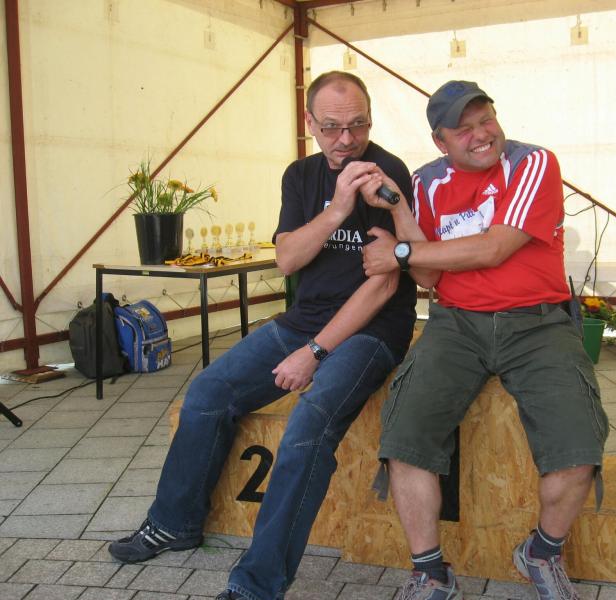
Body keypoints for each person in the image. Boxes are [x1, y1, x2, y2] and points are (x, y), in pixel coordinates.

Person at [108, 71, 418, 600]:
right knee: (207, 392)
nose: (347, 139)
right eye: (332, 127)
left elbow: (384, 285)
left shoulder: (387, 173)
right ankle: (174, 522)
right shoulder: (300, 176)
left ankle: (257, 584)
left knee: (308, 425)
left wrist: (315, 352)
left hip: (371, 329)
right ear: (310, 123)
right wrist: (338, 209)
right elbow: (288, 258)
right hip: (303, 318)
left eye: (358, 125)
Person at [361, 80, 608, 600]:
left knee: (578, 445)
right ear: (440, 141)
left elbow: (494, 248)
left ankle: (541, 551)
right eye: (464, 129)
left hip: (538, 324)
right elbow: (429, 277)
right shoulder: (426, 182)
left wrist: (400, 253)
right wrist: (400, 211)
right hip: (455, 324)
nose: (481, 134)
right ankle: (430, 572)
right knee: (405, 435)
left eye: (486, 120)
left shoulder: (532, 163)